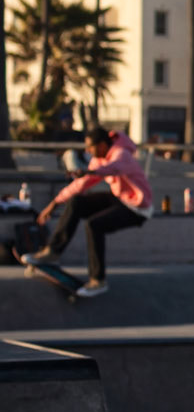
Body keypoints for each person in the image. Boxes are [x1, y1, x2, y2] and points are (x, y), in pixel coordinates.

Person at [27, 125, 151, 295]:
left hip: (138, 208)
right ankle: (53, 251)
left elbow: (113, 168)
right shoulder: (98, 160)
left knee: (94, 225)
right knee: (77, 202)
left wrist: (91, 171)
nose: (88, 151)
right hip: (119, 198)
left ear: (101, 145)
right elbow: (81, 183)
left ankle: (98, 280)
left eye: (90, 148)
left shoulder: (122, 154)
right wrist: (55, 202)